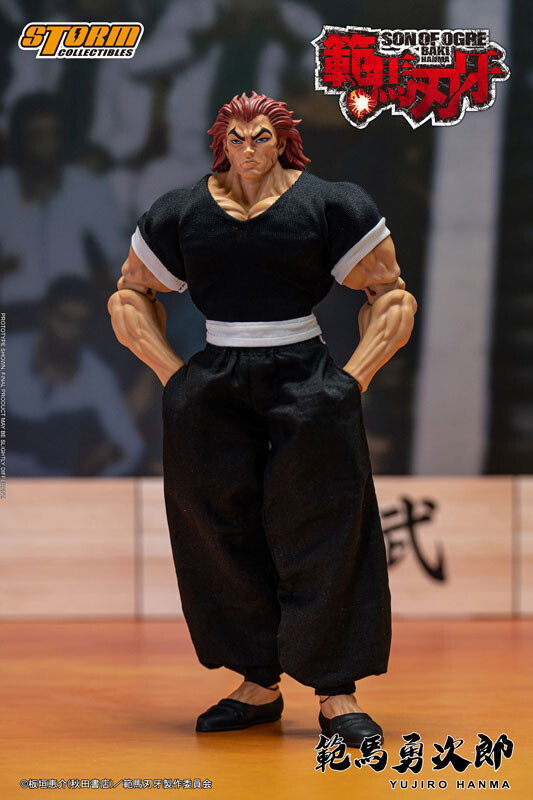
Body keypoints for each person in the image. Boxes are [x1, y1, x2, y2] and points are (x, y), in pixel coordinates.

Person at [108, 91, 417, 747]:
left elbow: (389, 294)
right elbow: (130, 293)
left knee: (326, 522)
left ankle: (335, 691)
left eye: (261, 137)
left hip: (304, 373)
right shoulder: (182, 211)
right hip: (214, 379)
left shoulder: (328, 204)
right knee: (218, 528)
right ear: (222, 143)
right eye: (237, 138)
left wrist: (351, 381)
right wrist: (174, 377)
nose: (248, 150)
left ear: (282, 141)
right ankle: (257, 682)